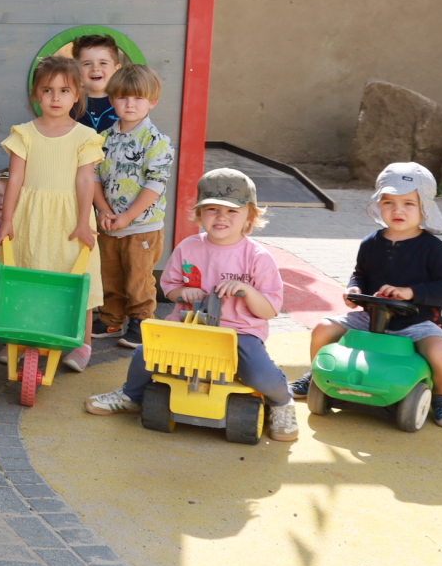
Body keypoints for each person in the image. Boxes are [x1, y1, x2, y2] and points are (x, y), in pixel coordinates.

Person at [87, 169, 299, 442]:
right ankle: (132, 395)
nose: (221, 217)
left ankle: (282, 402)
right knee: (145, 354)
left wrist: (246, 290)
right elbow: (170, 287)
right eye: (212, 209)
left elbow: (269, 310)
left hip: (239, 332)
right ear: (199, 213)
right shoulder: (188, 247)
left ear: (250, 215)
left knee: (260, 376)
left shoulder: (258, 257)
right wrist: (183, 293)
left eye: (232, 211)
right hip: (188, 325)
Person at [294, 163, 442, 428]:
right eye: (389, 202)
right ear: (379, 204)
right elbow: (360, 274)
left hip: (416, 323)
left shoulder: (433, 248)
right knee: (322, 329)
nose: (398, 210)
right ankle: (315, 376)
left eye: (409, 203)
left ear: (424, 208)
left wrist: (411, 292)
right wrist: (354, 289)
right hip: (370, 317)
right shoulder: (370, 243)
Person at [0, 55, 104, 371]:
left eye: (64, 90)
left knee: (78, 275)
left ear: (77, 95)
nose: (56, 98)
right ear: (36, 94)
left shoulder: (85, 136)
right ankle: (18, 338)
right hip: (29, 217)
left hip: (70, 218)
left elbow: (85, 180)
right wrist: (7, 220)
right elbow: (15, 178)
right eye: (48, 90)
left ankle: (82, 343)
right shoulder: (24, 133)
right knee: (26, 272)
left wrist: (83, 221)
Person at [92, 63, 174, 350]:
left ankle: (141, 321)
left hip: (142, 227)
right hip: (110, 224)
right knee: (110, 276)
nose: (130, 104)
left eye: (138, 98)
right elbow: (94, 177)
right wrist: (103, 210)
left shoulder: (157, 141)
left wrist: (128, 216)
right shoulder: (104, 139)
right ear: (111, 99)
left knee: (138, 279)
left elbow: (155, 184)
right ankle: (111, 319)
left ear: (153, 101)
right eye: (123, 97)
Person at [72, 34, 122, 135]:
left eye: (103, 63)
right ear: (76, 70)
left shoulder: (124, 103)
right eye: (87, 64)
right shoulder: (70, 102)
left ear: (116, 70)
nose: (95, 68)